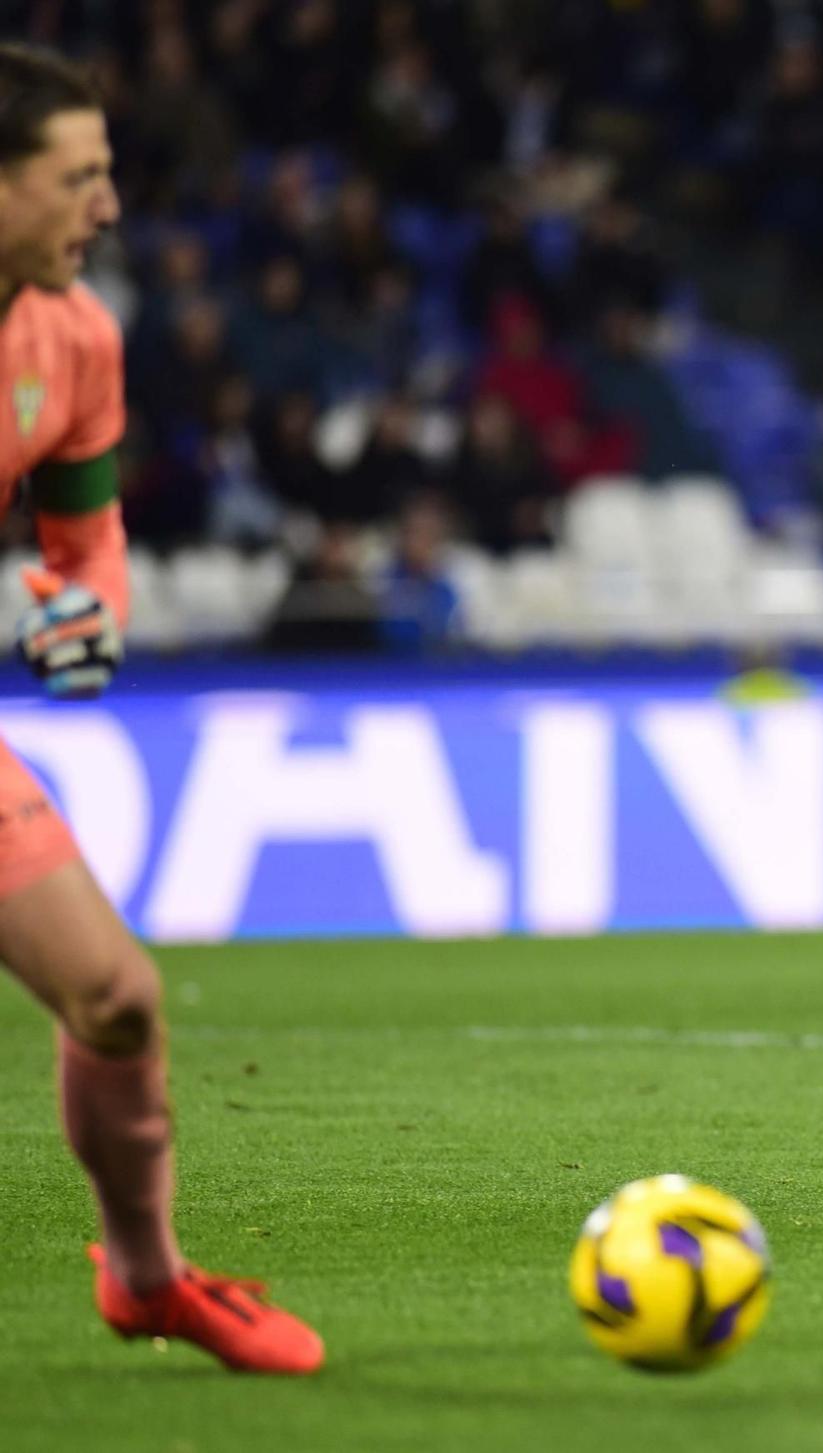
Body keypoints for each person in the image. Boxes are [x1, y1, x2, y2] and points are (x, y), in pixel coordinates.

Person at [0, 45, 322, 1372]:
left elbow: (84, 540)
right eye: (79, 178)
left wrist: (89, 613)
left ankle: (146, 1278)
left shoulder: (71, 336)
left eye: (110, 173)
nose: (111, 206)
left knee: (119, 998)